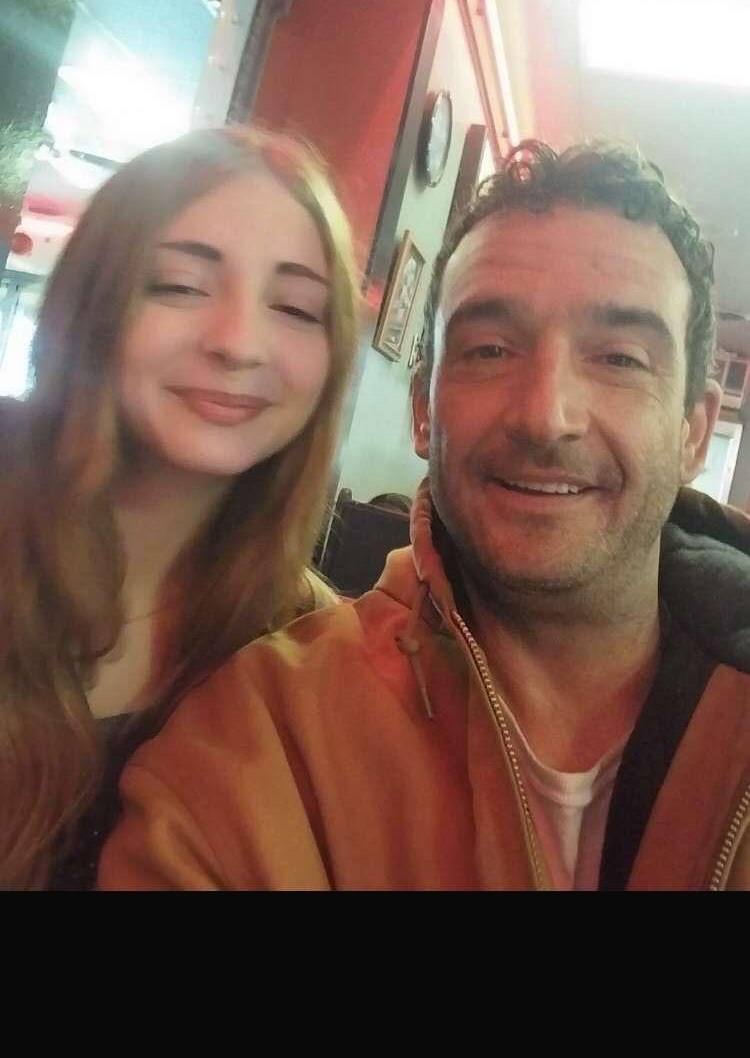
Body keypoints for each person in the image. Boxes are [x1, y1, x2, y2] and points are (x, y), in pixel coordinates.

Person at [99, 140, 750, 891]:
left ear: (694, 431)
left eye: (619, 359)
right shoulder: (261, 739)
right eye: (490, 349)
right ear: (422, 410)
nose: (547, 416)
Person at [0, 123, 359, 890]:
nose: (239, 343)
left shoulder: (310, 657)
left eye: (296, 307)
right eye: (181, 286)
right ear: (93, 302)